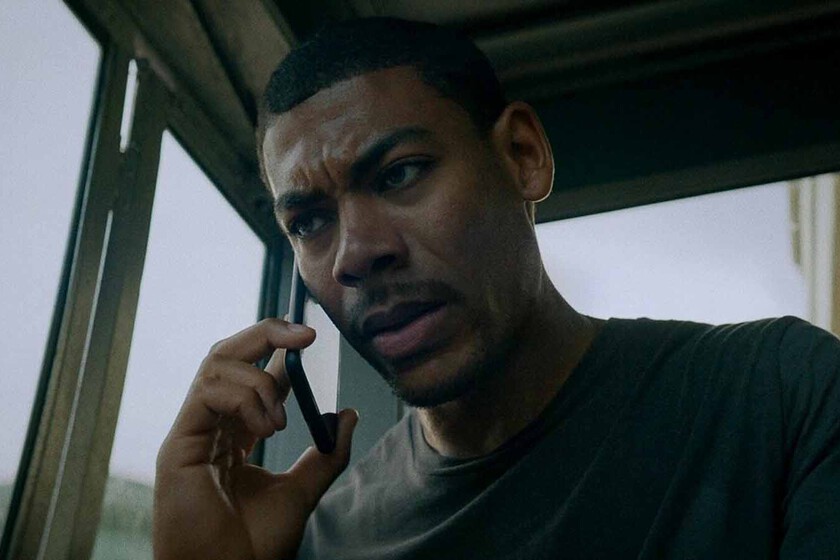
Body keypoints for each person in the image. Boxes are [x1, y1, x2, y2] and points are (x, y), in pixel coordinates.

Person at [153, 17, 840, 560]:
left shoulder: (781, 399)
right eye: (308, 221)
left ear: (522, 156)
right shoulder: (325, 539)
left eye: (399, 174)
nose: (355, 255)